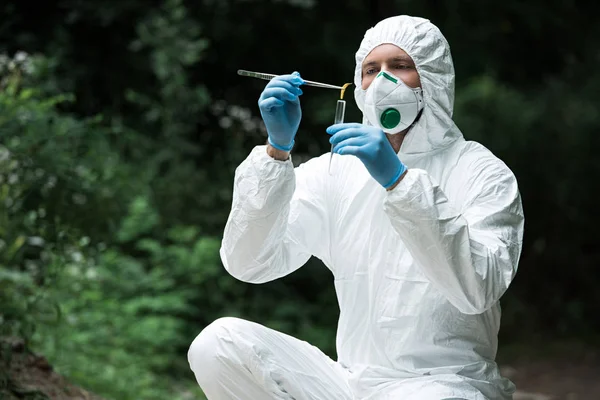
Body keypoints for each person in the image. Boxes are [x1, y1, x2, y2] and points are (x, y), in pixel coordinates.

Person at [188, 15, 524, 400]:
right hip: (350, 383)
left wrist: (398, 181)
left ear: (432, 77)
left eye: (399, 66)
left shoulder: (480, 171)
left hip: (445, 384)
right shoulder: (339, 171)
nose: (383, 81)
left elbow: (478, 289)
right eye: (370, 70)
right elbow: (249, 262)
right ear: (358, 85)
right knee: (218, 345)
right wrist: (277, 151)